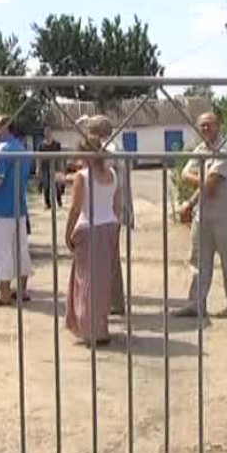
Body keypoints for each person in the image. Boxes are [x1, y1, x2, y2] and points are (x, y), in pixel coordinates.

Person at [173, 110, 227, 319]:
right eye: (202, 125)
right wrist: (192, 200)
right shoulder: (200, 149)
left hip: (226, 216)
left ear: (219, 126)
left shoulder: (226, 149)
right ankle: (196, 304)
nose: (205, 128)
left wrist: (200, 179)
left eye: (209, 124)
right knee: (198, 261)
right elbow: (185, 175)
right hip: (202, 215)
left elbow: (210, 185)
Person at [65, 134, 120, 346]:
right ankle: (101, 327)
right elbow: (117, 205)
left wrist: (68, 233)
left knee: (86, 281)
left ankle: (90, 330)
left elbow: (75, 208)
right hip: (109, 227)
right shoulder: (112, 174)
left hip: (90, 228)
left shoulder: (82, 176)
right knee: (103, 281)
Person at [0, 115, 33, 308]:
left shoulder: (0, 150)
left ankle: (4, 293)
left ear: (4, 127)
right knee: (20, 249)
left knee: (1, 250)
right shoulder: (22, 149)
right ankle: (22, 290)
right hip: (19, 206)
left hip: (0, 208)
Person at [86, 115, 125, 314]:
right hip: (109, 211)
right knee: (109, 258)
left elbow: (101, 176)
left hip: (109, 211)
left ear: (97, 131)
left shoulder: (107, 150)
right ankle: (112, 301)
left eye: (89, 129)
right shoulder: (112, 146)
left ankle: (112, 302)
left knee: (107, 259)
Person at [37, 127, 63, 209]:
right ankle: (47, 203)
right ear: (44, 134)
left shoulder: (57, 144)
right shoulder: (41, 145)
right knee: (46, 185)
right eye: (46, 132)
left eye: (49, 132)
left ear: (51, 133)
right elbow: (39, 158)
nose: (47, 134)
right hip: (45, 167)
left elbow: (59, 157)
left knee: (57, 185)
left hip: (55, 167)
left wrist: (61, 168)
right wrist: (38, 168)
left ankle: (59, 200)